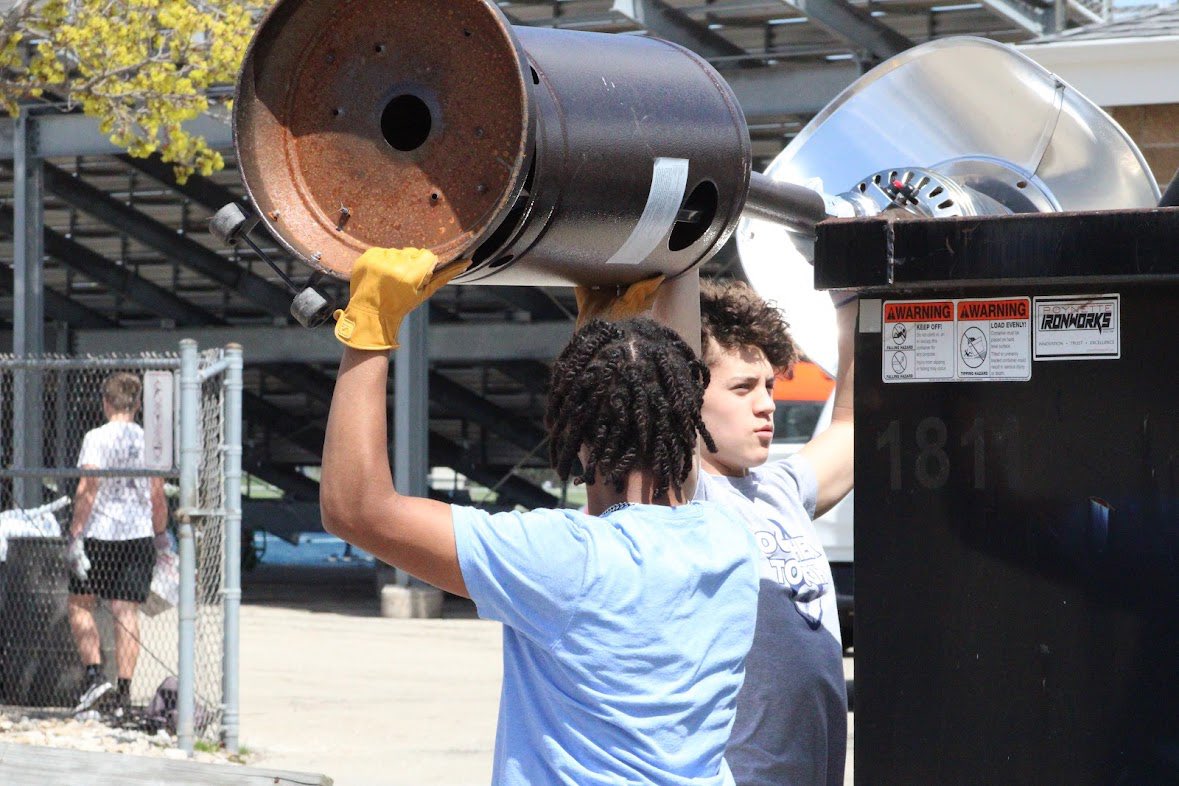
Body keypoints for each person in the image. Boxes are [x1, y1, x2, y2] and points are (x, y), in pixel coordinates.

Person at [321, 248, 760, 784]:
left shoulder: (567, 563)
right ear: (687, 419)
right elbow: (674, 481)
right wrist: (614, 344)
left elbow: (355, 509)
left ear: (577, 435)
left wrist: (370, 326)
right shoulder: (729, 543)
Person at [694, 278, 855, 786]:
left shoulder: (781, 490)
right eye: (742, 388)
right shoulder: (679, 497)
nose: (767, 405)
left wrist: (850, 301)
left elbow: (853, 425)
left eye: (769, 386)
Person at [67, 372, 169, 716]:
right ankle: (123, 691)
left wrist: (75, 534)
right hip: (138, 533)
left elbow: (88, 489)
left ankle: (96, 675)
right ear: (138, 404)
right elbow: (157, 494)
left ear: (105, 402)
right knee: (126, 613)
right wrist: (160, 534)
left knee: (81, 604)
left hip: (100, 533)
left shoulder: (96, 437)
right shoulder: (149, 441)